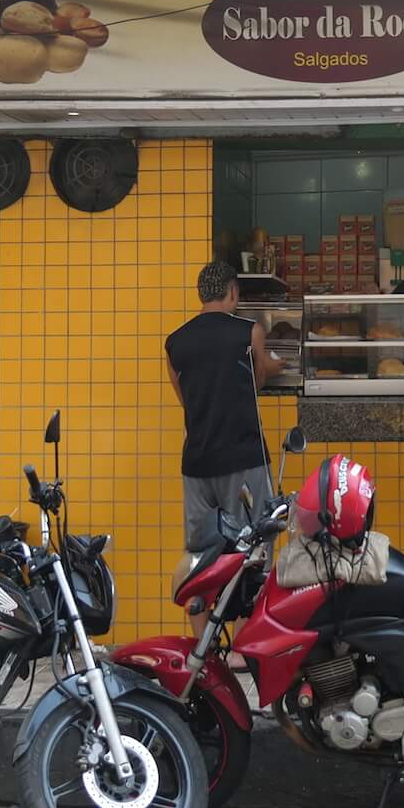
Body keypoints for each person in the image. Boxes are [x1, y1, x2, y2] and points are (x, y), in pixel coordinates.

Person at [166, 262, 284, 636]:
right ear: (232, 291)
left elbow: (185, 399)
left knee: (200, 551)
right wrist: (276, 365)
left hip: (197, 461)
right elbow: (259, 379)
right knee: (256, 545)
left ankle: (203, 640)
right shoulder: (249, 331)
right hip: (243, 456)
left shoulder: (175, 342)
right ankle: (246, 637)